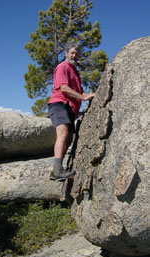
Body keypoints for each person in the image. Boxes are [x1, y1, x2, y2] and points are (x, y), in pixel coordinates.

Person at [48, 41, 95, 181]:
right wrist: (82, 97)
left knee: (68, 139)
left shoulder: (75, 72)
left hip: (69, 108)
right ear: (66, 53)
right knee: (62, 134)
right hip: (59, 104)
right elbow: (64, 88)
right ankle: (57, 171)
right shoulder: (62, 67)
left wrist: (87, 95)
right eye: (72, 53)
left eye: (76, 53)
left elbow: (80, 91)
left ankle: (57, 169)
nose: (74, 55)